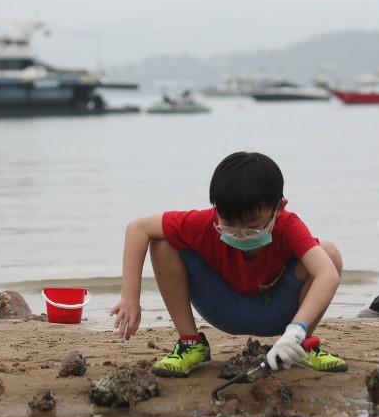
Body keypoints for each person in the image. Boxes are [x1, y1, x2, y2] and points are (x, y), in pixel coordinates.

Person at [109, 151, 346, 377]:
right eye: (229, 223)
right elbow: (137, 228)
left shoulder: (289, 226)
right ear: (216, 208)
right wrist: (130, 296)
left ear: (279, 207)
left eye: (252, 223)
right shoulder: (203, 223)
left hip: (278, 312)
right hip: (222, 307)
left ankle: (302, 346)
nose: (240, 233)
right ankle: (190, 343)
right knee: (163, 243)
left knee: (328, 254)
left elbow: (327, 274)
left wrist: (296, 331)